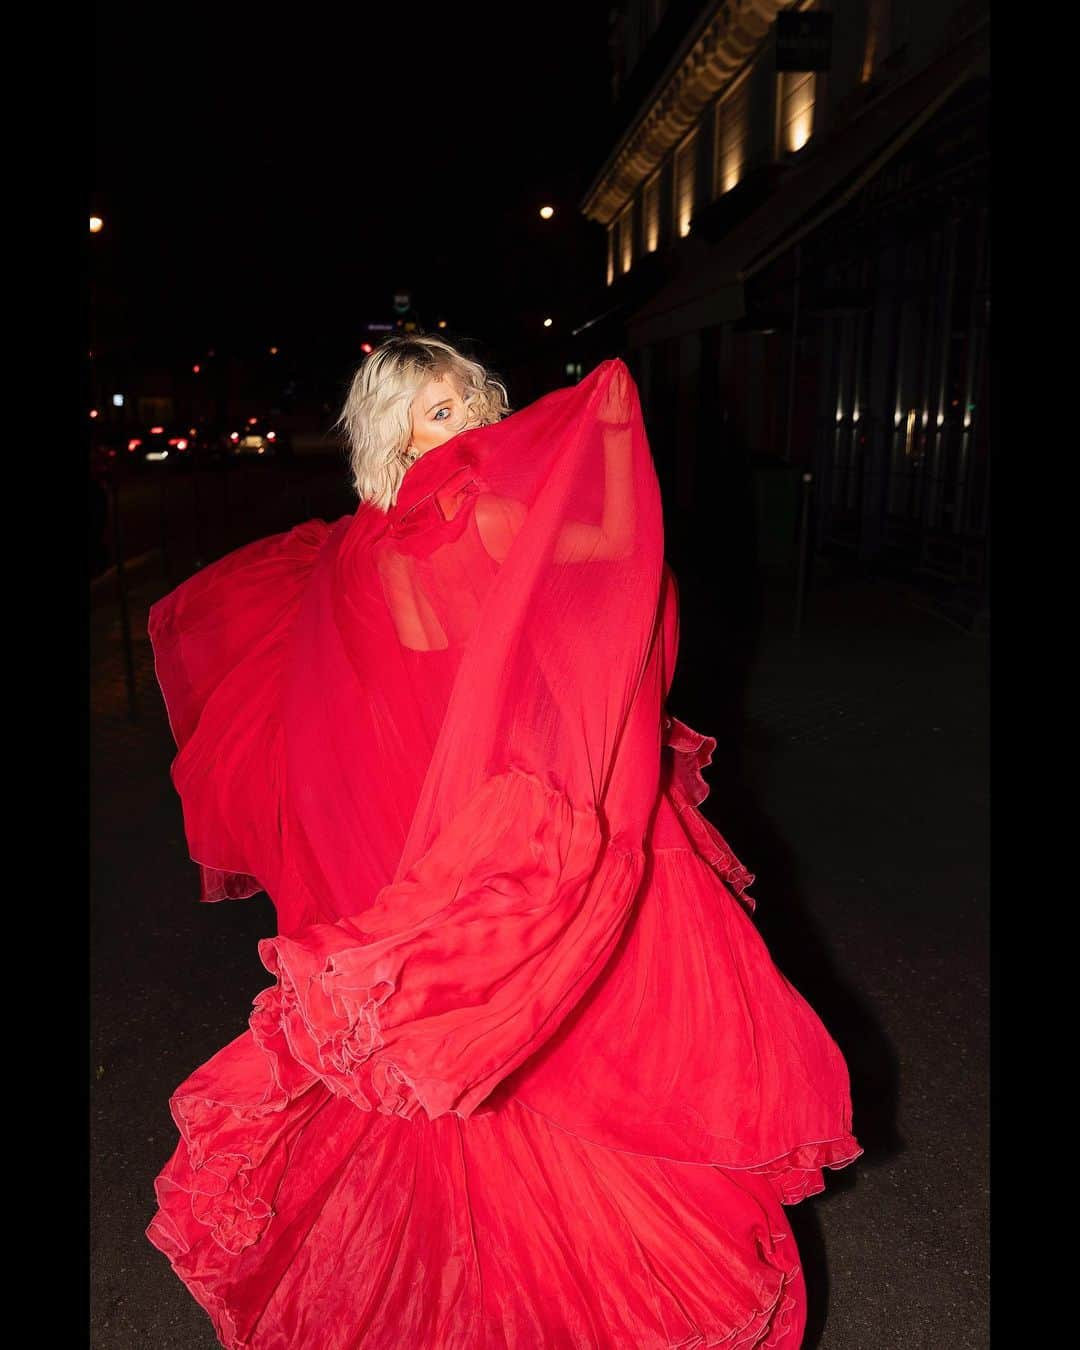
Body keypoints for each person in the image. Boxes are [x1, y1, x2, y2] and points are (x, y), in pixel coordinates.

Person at [146, 335, 860, 1348]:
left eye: (477, 402)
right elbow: (610, 563)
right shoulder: (467, 521)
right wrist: (605, 432)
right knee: (582, 1048)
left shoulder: (364, 543)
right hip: (511, 831)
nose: (473, 424)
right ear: (393, 427)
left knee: (455, 1072)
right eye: (442, 411)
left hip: (458, 837)